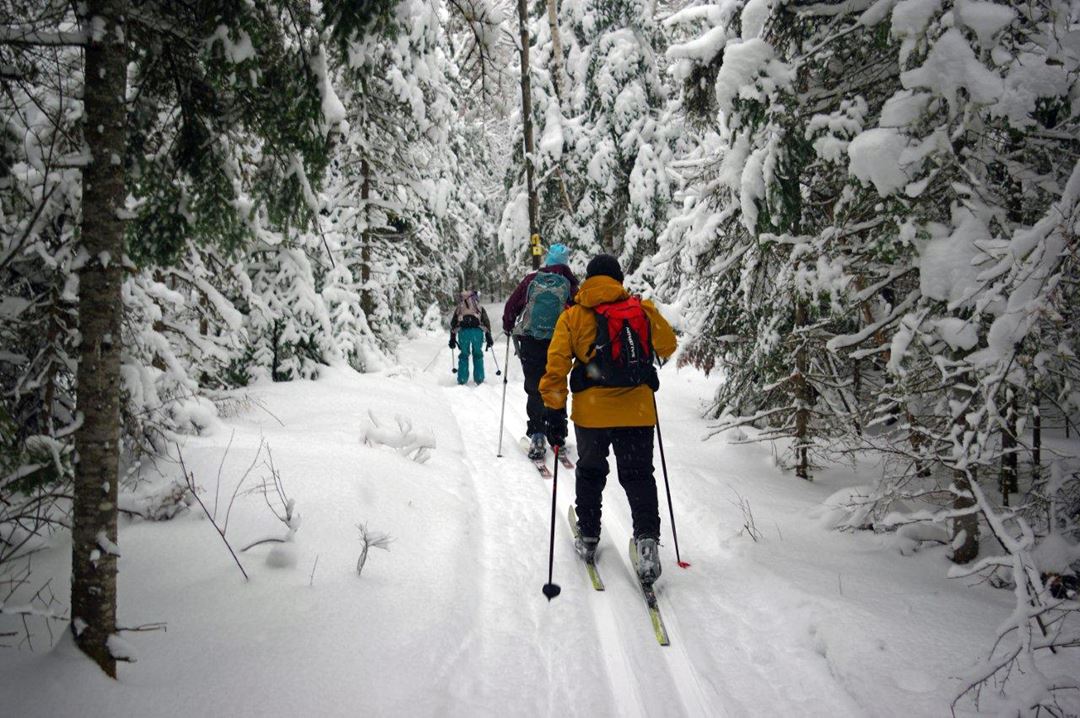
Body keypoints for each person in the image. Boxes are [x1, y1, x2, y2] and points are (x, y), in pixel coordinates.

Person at [538, 254, 677, 585]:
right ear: (618, 278)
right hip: (638, 412)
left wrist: (554, 412)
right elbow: (668, 345)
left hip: (592, 414)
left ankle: (587, 535)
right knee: (639, 476)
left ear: (588, 279)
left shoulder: (573, 316)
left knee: (590, 472)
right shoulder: (639, 309)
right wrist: (648, 313)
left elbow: (556, 368)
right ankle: (646, 543)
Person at [502, 243, 579, 459]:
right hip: (559, 342)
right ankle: (558, 435)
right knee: (555, 385)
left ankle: (537, 434)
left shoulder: (531, 280)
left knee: (535, 387)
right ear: (565, 262)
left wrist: (508, 325)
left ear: (548, 260)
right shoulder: (570, 284)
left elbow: (511, 306)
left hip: (532, 341)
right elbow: (578, 312)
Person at [450, 290, 494, 385]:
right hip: (477, 332)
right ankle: (479, 379)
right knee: (477, 355)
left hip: (463, 333)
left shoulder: (459, 308)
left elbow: (453, 323)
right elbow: (486, 322)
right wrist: (488, 335)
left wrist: (452, 338)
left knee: (464, 355)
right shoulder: (479, 307)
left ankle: (462, 379)